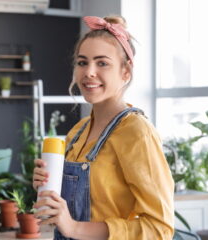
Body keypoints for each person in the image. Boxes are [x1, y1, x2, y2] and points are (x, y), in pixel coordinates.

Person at [33, 15, 174, 240]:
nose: (89, 72)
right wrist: (47, 185)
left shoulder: (137, 132)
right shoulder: (77, 132)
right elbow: (71, 210)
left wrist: (75, 228)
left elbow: (160, 229)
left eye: (102, 63)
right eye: (82, 62)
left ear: (125, 72)